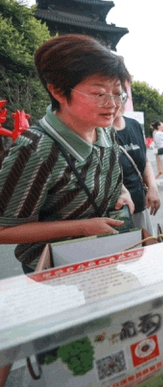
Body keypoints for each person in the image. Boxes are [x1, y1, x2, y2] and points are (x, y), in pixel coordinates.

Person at [0, 34, 134, 272]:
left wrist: (123, 193)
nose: (113, 104)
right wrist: (83, 227)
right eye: (99, 94)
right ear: (59, 92)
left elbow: (109, 176)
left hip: (100, 257)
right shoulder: (36, 148)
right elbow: (4, 230)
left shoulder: (106, 132)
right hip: (54, 270)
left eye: (117, 93)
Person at [113, 103, 160, 234]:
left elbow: (145, 161)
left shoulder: (134, 125)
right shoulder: (97, 130)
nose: (114, 103)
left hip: (140, 205)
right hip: (115, 211)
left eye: (119, 95)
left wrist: (153, 187)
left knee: (147, 248)